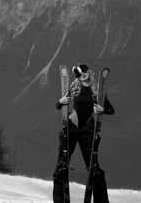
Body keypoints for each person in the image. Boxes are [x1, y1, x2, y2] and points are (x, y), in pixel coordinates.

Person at [53, 64, 115, 203]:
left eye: (84, 72)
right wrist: (61, 101)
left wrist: (101, 109)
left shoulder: (97, 91)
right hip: (71, 128)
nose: (83, 75)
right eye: (79, 75)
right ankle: (59, 201)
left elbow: (111, 110)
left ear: (89, 71)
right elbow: (58, 105)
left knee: (95, 169)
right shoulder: (75, 88)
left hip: (87, 131)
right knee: (61, 167)